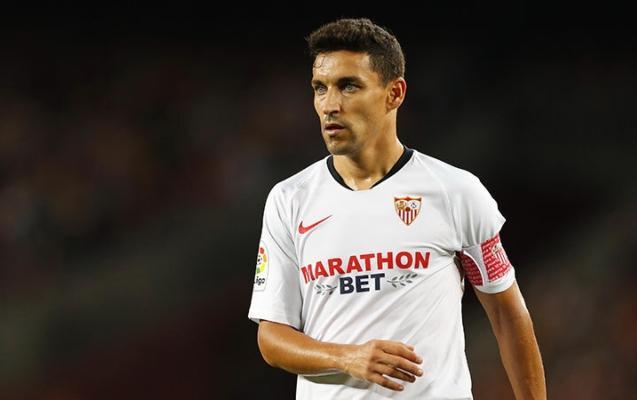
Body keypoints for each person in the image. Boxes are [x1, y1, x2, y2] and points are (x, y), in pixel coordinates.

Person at [247, 18, 546, 400]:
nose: (330, 105)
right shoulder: (290, 199)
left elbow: (507, 315)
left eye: (349, 86)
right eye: (320, 88)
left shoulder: (455, 192)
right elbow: (272, 338)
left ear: (394, 93)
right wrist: (347, 357)